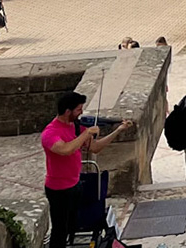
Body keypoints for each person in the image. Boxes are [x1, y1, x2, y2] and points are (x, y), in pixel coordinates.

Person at [41, 91, 134, 248]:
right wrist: (86, 134)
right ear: (67, 111)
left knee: (72, 225)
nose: (81, 112)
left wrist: (118, 130)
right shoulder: (50, 133)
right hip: (58, 189)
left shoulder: (77, 127)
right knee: (59, 230)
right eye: (78, 109)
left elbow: (95, 147)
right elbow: (65, 150)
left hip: (75, 184)